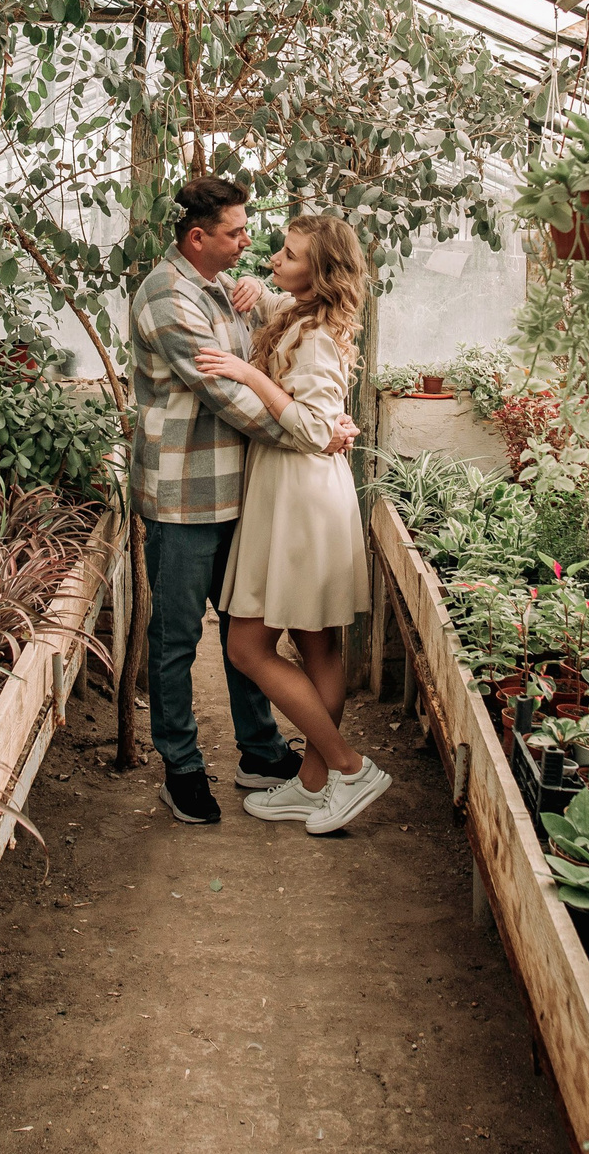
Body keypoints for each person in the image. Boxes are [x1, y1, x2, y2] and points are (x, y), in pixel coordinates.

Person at [128, 177, 358, 825]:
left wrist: (318, 419)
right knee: (176, 641)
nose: (248, 242)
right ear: (198, 237)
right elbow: (227, 394)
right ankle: (183, 767)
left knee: (242, 628)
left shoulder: (229, 293)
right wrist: (317, 430)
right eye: (235, 232)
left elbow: (275, 356)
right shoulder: (168, 299)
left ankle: (260, 750)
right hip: (182, 499)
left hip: (242, 491)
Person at [194, 215, 391, 835]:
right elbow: (282, 304)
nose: (275, 259)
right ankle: (311, 787)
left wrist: (247, 373)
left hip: (299, 498)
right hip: (301, 495)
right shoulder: (304, 315)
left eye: (289, 255)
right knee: (317, 647)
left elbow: (311, 430)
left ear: (321, 273)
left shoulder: (316, 338)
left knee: (246, 646)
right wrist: (260, 288)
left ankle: (349, 767)